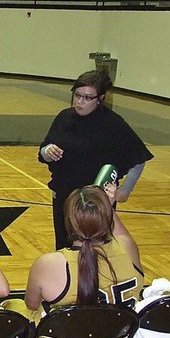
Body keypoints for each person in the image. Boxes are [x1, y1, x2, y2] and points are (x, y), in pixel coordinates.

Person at [24, 185, 143, 338]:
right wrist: (107, 206)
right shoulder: (127, 248)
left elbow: (31, 304)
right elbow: (118, 234)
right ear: (107, 218)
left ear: (68, 223)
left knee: (16, 310)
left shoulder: (50, 263)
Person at [39, 70, 153, 250]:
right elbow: (43, 150)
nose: (79, 101)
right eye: (77, 95)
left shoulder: (113, 124)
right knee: (64, 249)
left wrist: (125, 191)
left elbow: (139, 157)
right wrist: (47, 152)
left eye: (87, 97)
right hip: (65, 198)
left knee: (96, 250)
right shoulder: (64, 117)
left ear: (100, 98)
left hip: (96, 202)